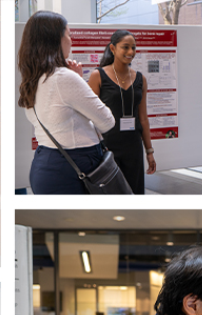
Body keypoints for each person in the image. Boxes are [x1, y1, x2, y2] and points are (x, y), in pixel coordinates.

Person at [19, 11, 114, 195]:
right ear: (56, 40)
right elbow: (107, 121)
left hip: (45, 163)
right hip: (76, 165)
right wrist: (79, 81)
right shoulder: (64, 77)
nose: (71, 40)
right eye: (68, 34)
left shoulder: (33, 77)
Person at [87, 30, 155, 194]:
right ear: (113, 48)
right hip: (107, 146)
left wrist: (149, 151)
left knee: (134, 192)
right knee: (110, 194)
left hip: (133, 146)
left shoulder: (140, 79)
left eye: (133, 47)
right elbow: (88, 117)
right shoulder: (98, 76)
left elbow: (143, 118)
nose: (131, 52)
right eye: (125, 47)